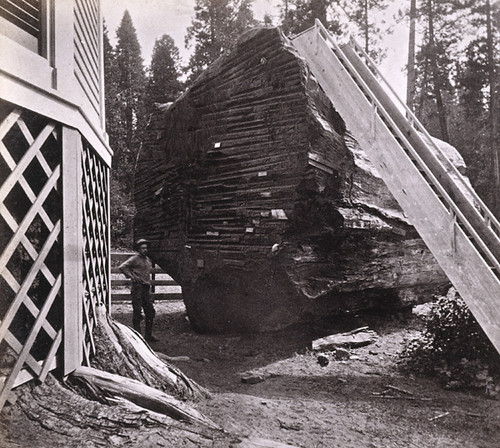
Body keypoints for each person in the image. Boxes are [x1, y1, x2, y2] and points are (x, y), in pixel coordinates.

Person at [119, 239, 158, 342]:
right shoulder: (134, 259)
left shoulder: (147, 260)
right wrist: (132, 276)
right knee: (137, 312)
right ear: (138, 249)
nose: (145, 250)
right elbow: (122, 267)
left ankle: (148, 335)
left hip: (145, 288)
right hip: (137, 288)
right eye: (142, 248)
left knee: (150, 311)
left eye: (146, 248)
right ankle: (138, 337)